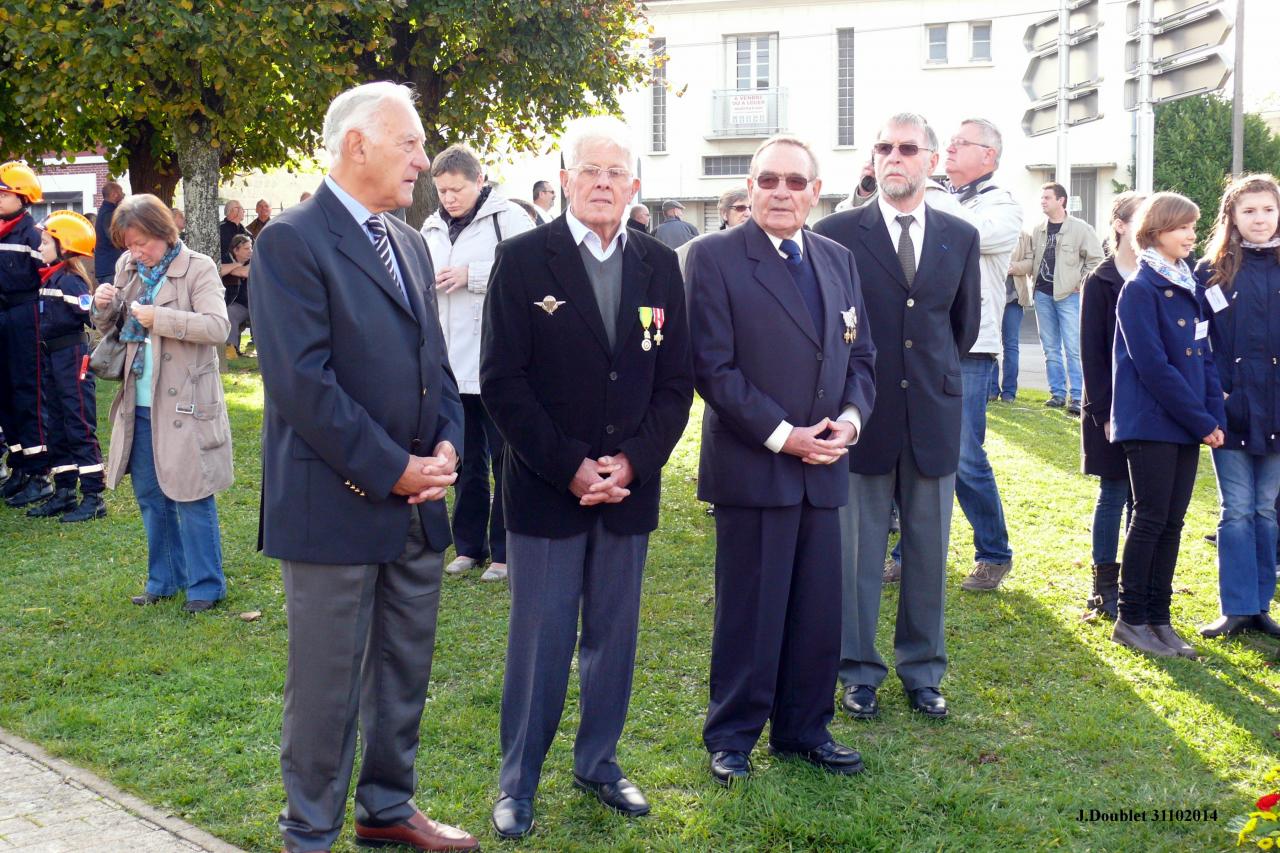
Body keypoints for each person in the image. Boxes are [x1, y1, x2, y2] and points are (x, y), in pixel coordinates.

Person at [250, 82, 474, 853]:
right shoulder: (291, 241)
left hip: (416, 505)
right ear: (358, 144)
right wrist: (393, 469)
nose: (423, 158)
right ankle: (307, 829)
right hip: (336, 506)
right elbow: (303, 385)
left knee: (403, 670)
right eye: (410, 143)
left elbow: (434, 366)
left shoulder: (409, 241)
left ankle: (386, 806)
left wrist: (447, 443)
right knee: (326, 684)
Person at [480, 116, 693, 839]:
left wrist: (632, 460)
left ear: (636, 183)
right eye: (589, 170)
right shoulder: (521, 258)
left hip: (629, 490)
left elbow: (676, 383)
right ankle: (518, 781)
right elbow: (502, 382)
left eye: (617, 171)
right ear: (563, 177)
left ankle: (599, 762)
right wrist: (570, 466)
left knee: (614, 636)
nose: (603, 182)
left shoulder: (662, 265)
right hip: (547, 491)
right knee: (539, 639)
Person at [688, 134, 876, 786]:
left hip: (826, 467)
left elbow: (863, 360)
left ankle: (804, 728)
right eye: (768, 180)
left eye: (795, 182)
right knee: (751, 610)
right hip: (756, 466)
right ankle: (733, 736)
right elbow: (713, 368)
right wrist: (784, 434)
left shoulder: (837, 259)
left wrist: (848, 425)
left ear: (815, 192)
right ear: (749, 187)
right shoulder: (713, 258)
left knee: (818, 610)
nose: (781, 192)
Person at [813, 112, 980, 721]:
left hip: (932, 415)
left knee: (929, 551)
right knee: (856, 554)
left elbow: (959, 328)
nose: (894, 157)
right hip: (860, 416)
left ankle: (923, 670)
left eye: (908, 148)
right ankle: (857, 670)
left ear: (931, 160)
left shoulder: (958, 236)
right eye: (884, 147)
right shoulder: (835, 234)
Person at [91, 194, 232, 611]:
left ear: (164, 232)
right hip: (140, 399)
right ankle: (163, 580)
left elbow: (218, 327)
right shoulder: (128, 267)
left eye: (142, 243)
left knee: (191, 493)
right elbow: (117, 325)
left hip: (186, 402)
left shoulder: (199, 267)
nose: (136, 252)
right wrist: (106, 306)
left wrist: (162, 319)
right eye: (129, 244)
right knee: (151, 496)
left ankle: (207, 586)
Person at [1110, 191, 1225, 658]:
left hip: (1185, 423)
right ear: (1156, 231)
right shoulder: (1138, 290)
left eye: (1193, 228)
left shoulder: (1188, 287)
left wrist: (1213, 414)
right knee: (1150, 519)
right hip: (1152, 423)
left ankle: (1159, 620)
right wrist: (1200, 419)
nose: (1191, 236)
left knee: (1173, 523)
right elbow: (1154, 368)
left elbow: (1205, 358)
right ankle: (1130, 618)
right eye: (1184, 227)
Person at [420, 143, 533, 583]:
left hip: (496, 362)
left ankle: (505, 551)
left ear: (479, 181)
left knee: (506, 459)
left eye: (457, 189)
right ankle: (468, 545)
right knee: (462, 460)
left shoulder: (510, 219)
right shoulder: (430, 227)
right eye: (442, 190)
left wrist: (474, 274)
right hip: (449, 365)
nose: (449, 198)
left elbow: (529, 274)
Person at [939, 118, 1023, 592]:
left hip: (973, 344)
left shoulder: (1002, 205)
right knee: (915, 450)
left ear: (988, 155)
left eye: (958, 143)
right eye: (946, 144)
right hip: (924, 341)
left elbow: (970, 236)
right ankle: (906, 552)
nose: (948, 150)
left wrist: (928, 194)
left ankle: (994, 552)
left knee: (964, 454)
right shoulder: (933, 197)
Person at [1196, 175, 1280, 640]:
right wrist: (1216, 396)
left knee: (1266, 510)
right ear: (1232, 217)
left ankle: (1260, 606)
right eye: (1249, 211)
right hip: (1230, 410)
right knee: (1237, 509)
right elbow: (1196, 343)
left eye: (1267, 209)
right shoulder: (1211, 270)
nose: (1260, 219)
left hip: (1278, 410)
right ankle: (1236, 605)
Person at [1079, 191, 1145, 619]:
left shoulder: (1159, 276)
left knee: (1146, 501)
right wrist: (1104, 413)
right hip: (1109, 407)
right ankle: (1104, 586)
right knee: (1114, 492)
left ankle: (1136, 582)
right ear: (1120, 226)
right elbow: (1092, 354)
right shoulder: (1101, 281)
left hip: (1151, 409)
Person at [28, 211, 106, 522]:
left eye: (46, 242)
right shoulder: (49, 278)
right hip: (50, 358)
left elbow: (92, 317)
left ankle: (93, 495)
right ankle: (64, 490)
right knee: (55, 424)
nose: (40, 247)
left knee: (78, 422)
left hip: (71, 357)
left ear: (66, 246)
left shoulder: (71, 282)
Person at [1009, 183, 1102, 415]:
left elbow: (1097, 260)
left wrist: (1079, 284)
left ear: (1061, 200)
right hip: (1042, 294)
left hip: (1068, 296)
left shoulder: (1081, 229)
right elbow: (1033, 261)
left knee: (1073, 347)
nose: (1042, 201)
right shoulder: (1038, 229)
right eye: (1041, 198)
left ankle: (1078, 396)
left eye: (1047, 197)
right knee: (1050, 348)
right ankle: (1057, 394)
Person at [0, 162, 53, 509]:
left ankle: (40, 474)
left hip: (25, 319)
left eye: (4, 193)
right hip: (2, 317)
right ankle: (18, 465)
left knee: (28, 394)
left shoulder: (32, 235)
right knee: (5, 396)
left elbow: (49, 280)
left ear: (22, 198)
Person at [989, 231, 1033, 401]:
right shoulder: (989, 231)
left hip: (1014, 298)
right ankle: (991, 390)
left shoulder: (1023, 236)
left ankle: (1009, 392)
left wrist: (1012, 267)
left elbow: (1030, 263)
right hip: (991, 297)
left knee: (1011, 345)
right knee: (991, 344)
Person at [675, 188, 749, 273]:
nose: (748, 213)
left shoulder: (763, 246)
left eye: (752, 208)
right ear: (724, 213)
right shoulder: (702, 245)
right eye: (740, 208)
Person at [220, 233, 252, 358]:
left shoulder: (255, 259)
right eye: (246, 248)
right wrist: (237, 265)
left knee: (230, 312)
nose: (251, 251)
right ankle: (231, 350)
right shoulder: (225, 258)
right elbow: (217, 270)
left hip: (250, 304)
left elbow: (245, 272)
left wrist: (231, 269)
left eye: (251, 247)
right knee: (229, 311)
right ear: (236, 250)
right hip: (228, 302)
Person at [93, 181, 125, 284]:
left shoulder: (105, 212)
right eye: (121, 192)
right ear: (114, 194)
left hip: (107, 267)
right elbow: (115, 238)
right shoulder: (109, 214)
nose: (123, 195)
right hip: (110, 268)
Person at [218, 199, 248, 263]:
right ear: (233, 210)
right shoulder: (219, 229)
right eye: (242, 208)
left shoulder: (246, 232)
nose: (244, 211)